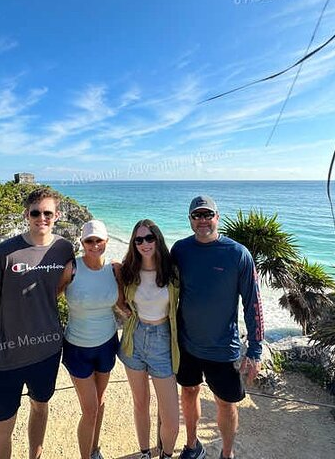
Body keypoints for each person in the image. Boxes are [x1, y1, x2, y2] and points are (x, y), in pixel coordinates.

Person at [0, 187, 75, 459]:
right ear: (26, 215)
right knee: (2, 428)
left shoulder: (64, 248)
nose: (42, 217)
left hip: (48, 351)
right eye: (36, 212)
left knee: (41, 407)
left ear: (57, 216)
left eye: (48, 213)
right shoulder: (4, 253)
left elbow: (63, 284)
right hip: (5, 357)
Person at [171, 195, 264, 459]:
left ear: (217, 217)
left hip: (224, 349)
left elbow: (253, 303)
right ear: (190, 220)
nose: (202, 221)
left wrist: (256, 351)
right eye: (196, 216)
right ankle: (192, 445)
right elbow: (161, 284)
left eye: (207, 215)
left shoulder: (238, 254)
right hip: (188, 344)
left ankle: (227, 453)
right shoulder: (180, 250)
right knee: (188, 392)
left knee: (226, 403)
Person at [117, 219, 180, 459]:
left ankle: (166, 454)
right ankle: (144, 453)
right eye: (139, 239)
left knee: (171, 418)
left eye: (149, 238)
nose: (145, 244)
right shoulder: (128, 270)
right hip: (134, 339)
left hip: (163, 341)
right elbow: (117, 296)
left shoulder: (172, 271)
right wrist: (123, 309)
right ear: (134, 243)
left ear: (158, 239)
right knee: (140, 404)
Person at [59, 219, 121, 459]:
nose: (94, 245)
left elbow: (124, 302)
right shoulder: (71, 268)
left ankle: (94, 449)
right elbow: (47, 299)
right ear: (82, 242)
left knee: (101, 400)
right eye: (89, 240)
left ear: (107, 241)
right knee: (90, 409)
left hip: (107, 343)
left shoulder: (115, 269)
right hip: (77, 347)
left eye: (99, 240)